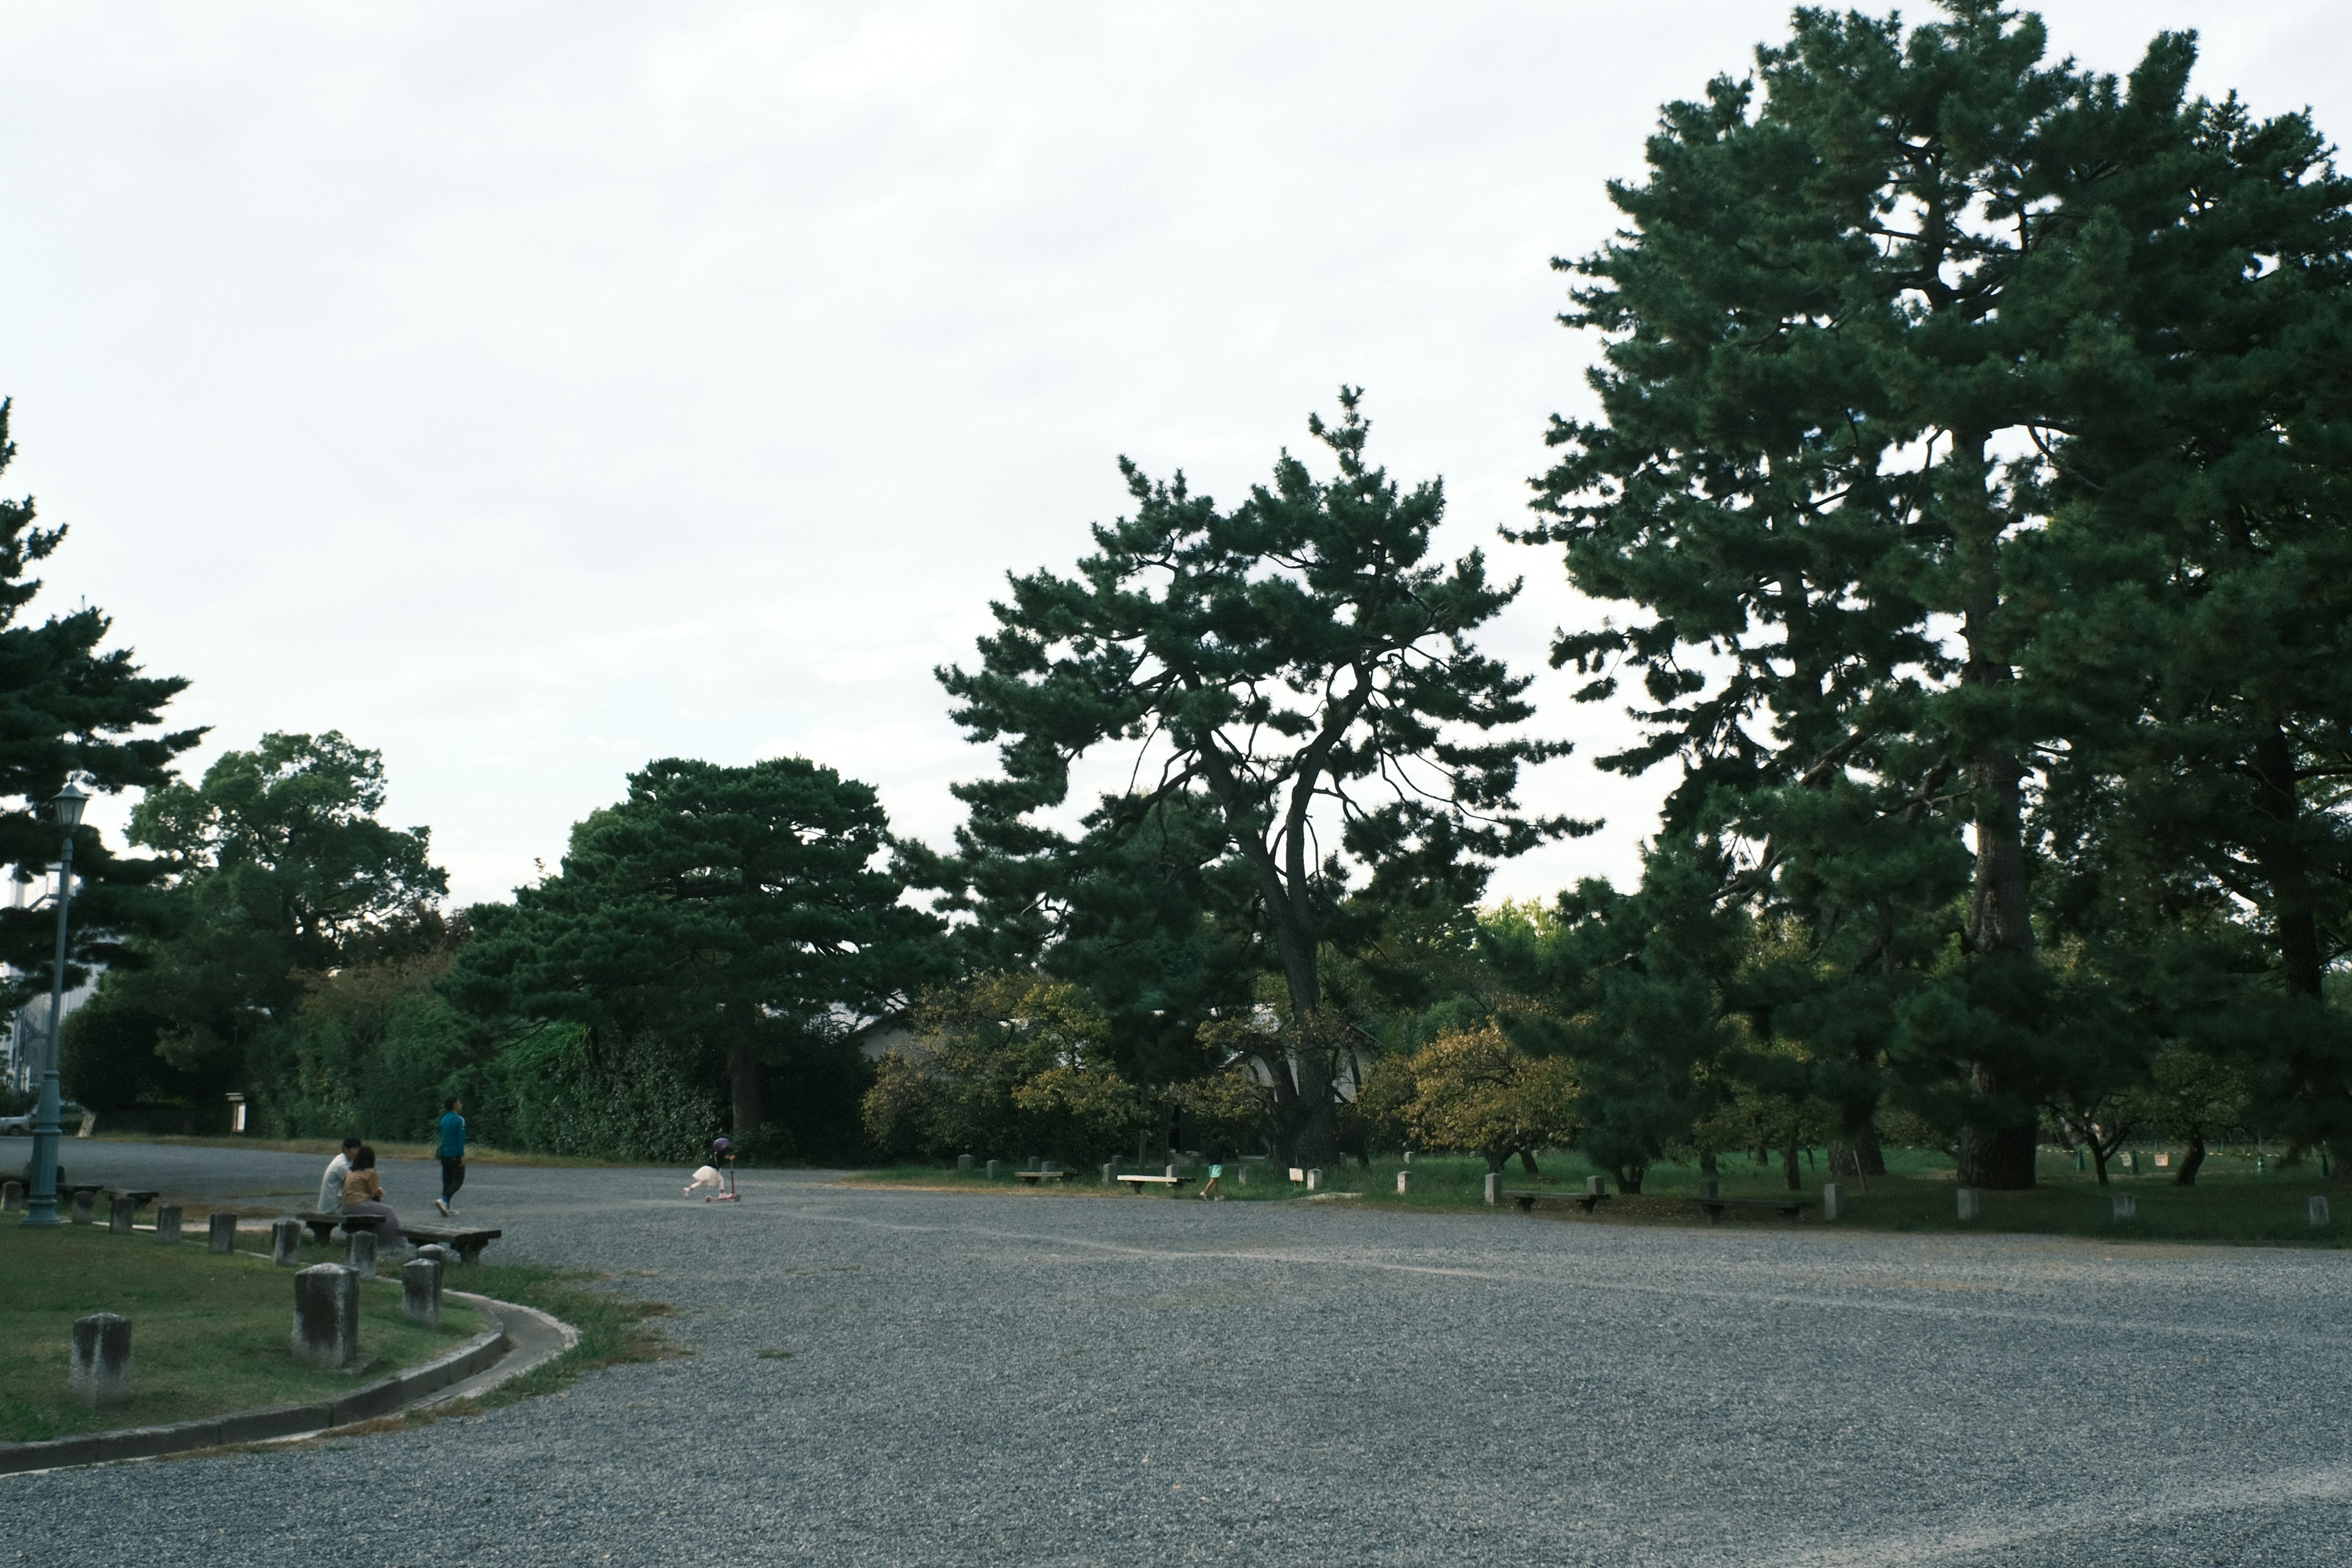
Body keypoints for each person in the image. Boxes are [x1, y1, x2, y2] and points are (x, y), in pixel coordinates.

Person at [339, 1144, 406, 1255]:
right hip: (359, 1204)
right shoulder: (370, 1172)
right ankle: (394, 1243)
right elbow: (373, 1194)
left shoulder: (351, 1173)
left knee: (379, 1212)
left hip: (347, 1207)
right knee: (388, 1212)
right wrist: (380, 1191)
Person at [434, 1096, 467, 1216]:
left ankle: (446, 1207)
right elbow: (460, 1139)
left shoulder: (444, 1119)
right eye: (459, 1102)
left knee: (447, 1181)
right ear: (454, 1105)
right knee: (458, 1180)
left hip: (444, 1154)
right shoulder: (459, 1120)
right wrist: (462, 1156)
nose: (461, 1104)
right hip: (455, 1154)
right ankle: (444, 1200)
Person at [318, 1136, 361, 1214]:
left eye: (359, 1149)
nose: (357, 1152)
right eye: (355, 1149)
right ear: (345, 1149)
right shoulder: (341, 1164)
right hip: (331, 1208)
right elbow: (355, 1183)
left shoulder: (347, 1160)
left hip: (335, 1203)